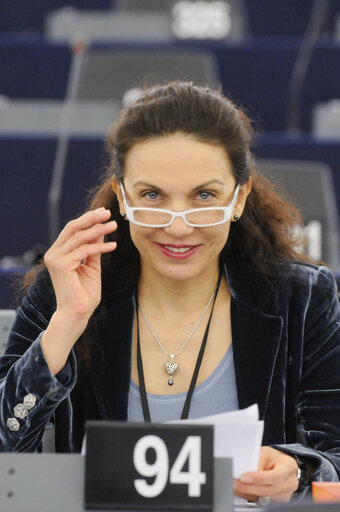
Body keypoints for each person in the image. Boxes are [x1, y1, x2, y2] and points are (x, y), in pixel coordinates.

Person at [1, 81, 340, 504]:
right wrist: (66, 324)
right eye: (152, 195)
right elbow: (6, 456)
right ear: (122, 197)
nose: (178, 225)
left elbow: (336, 455)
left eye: (204, 195)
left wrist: (301, 469)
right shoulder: (69, 289)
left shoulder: (302, 297)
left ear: (238, 198)